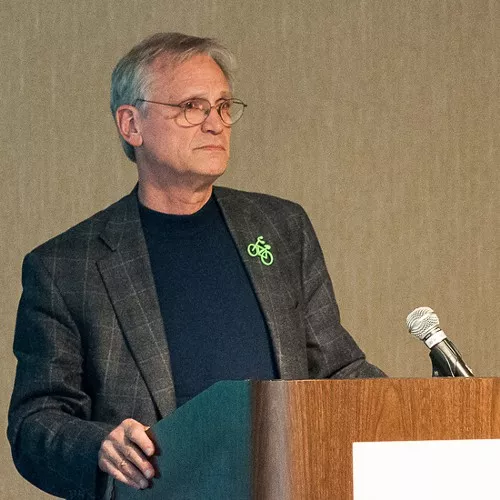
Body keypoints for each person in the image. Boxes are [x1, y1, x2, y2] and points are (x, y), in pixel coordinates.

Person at [8, 32, 384, 500]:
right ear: (131, 125)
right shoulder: (66, 266)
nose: (216, 123)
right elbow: (36, 422)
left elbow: (338, 371)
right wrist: (100, 445)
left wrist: (423, 411)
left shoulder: (282, 227)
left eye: (224, 106)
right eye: (192, 106)